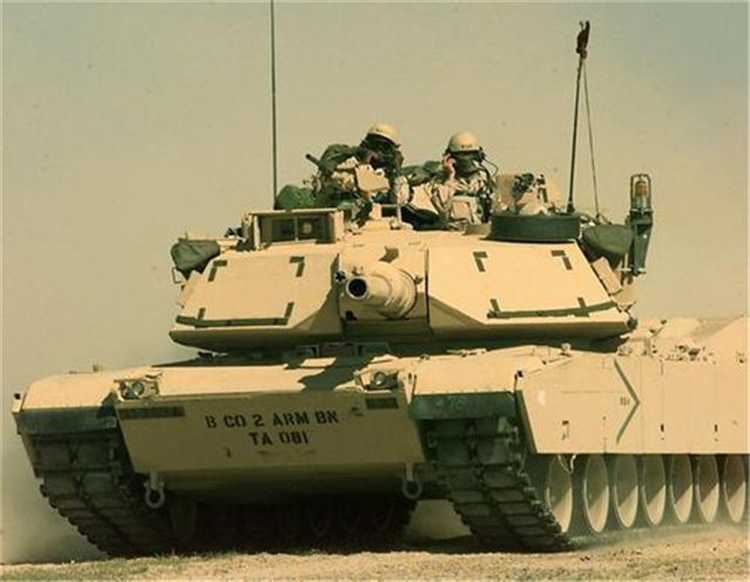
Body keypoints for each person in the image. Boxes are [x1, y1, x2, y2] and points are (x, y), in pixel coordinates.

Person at [275, 123, 408, 222]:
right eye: (374, 144)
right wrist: (357, 152)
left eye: (384, 147)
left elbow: (399, 200)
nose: (378, 150)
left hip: (371, 224)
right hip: (330, 215)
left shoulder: (391, 175)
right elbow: (330, 158)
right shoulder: (348, 159)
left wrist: (396, 171)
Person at [404, 131, 497, 229]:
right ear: (450, 157)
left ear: (478, 156)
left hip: (477, 232)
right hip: (451, 232)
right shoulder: (440, 181)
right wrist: (450, 176)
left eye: (470, 153)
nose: (466, 159)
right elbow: (443, 207)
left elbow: (495, 211)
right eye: (461, 154)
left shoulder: (484, 180)